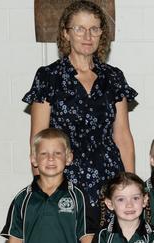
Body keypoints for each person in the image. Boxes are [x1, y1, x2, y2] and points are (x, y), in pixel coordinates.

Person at [24, 0, 137, 212]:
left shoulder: (114, 77)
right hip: (64, 179)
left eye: (94, 29)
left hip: (109, 178)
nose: (87, 36)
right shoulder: (48, 77)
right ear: (66, 33)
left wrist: (130, 186)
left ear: (101, 34)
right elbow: (37, 140)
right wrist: (44, 189)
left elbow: (122, 135)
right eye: (79, 29)